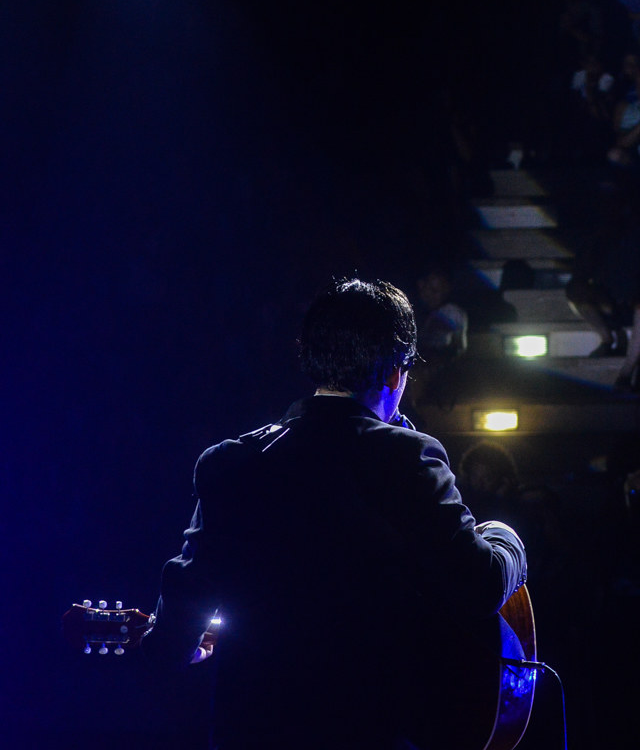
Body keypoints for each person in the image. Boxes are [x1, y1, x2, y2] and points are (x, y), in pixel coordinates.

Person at [147, 278, 528, 749]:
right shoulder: (408, 456)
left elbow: (179, 622)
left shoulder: (229, 462)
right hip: (370, 732)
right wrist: (508, 538)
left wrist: (179, 646)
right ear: (396, 373)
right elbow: (481, 584)